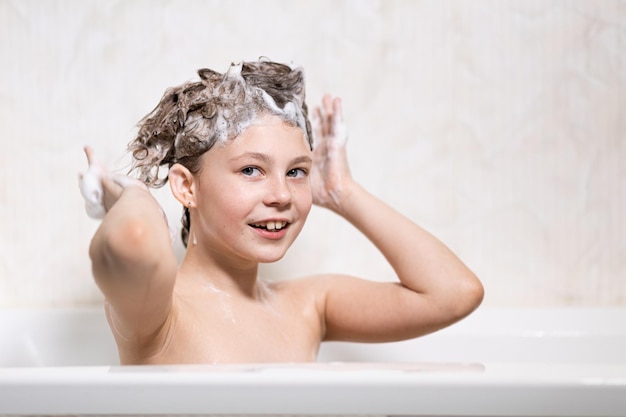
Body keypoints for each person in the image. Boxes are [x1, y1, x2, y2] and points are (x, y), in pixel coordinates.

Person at [80, 60, 483, 365]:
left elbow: (454, 294)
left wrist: (343, 192)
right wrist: (129, 196)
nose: (281, 195)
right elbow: (133, 240)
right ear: (187, 186)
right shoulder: (159, 313)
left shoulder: (308, 305)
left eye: (296, 172)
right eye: (251, 170)